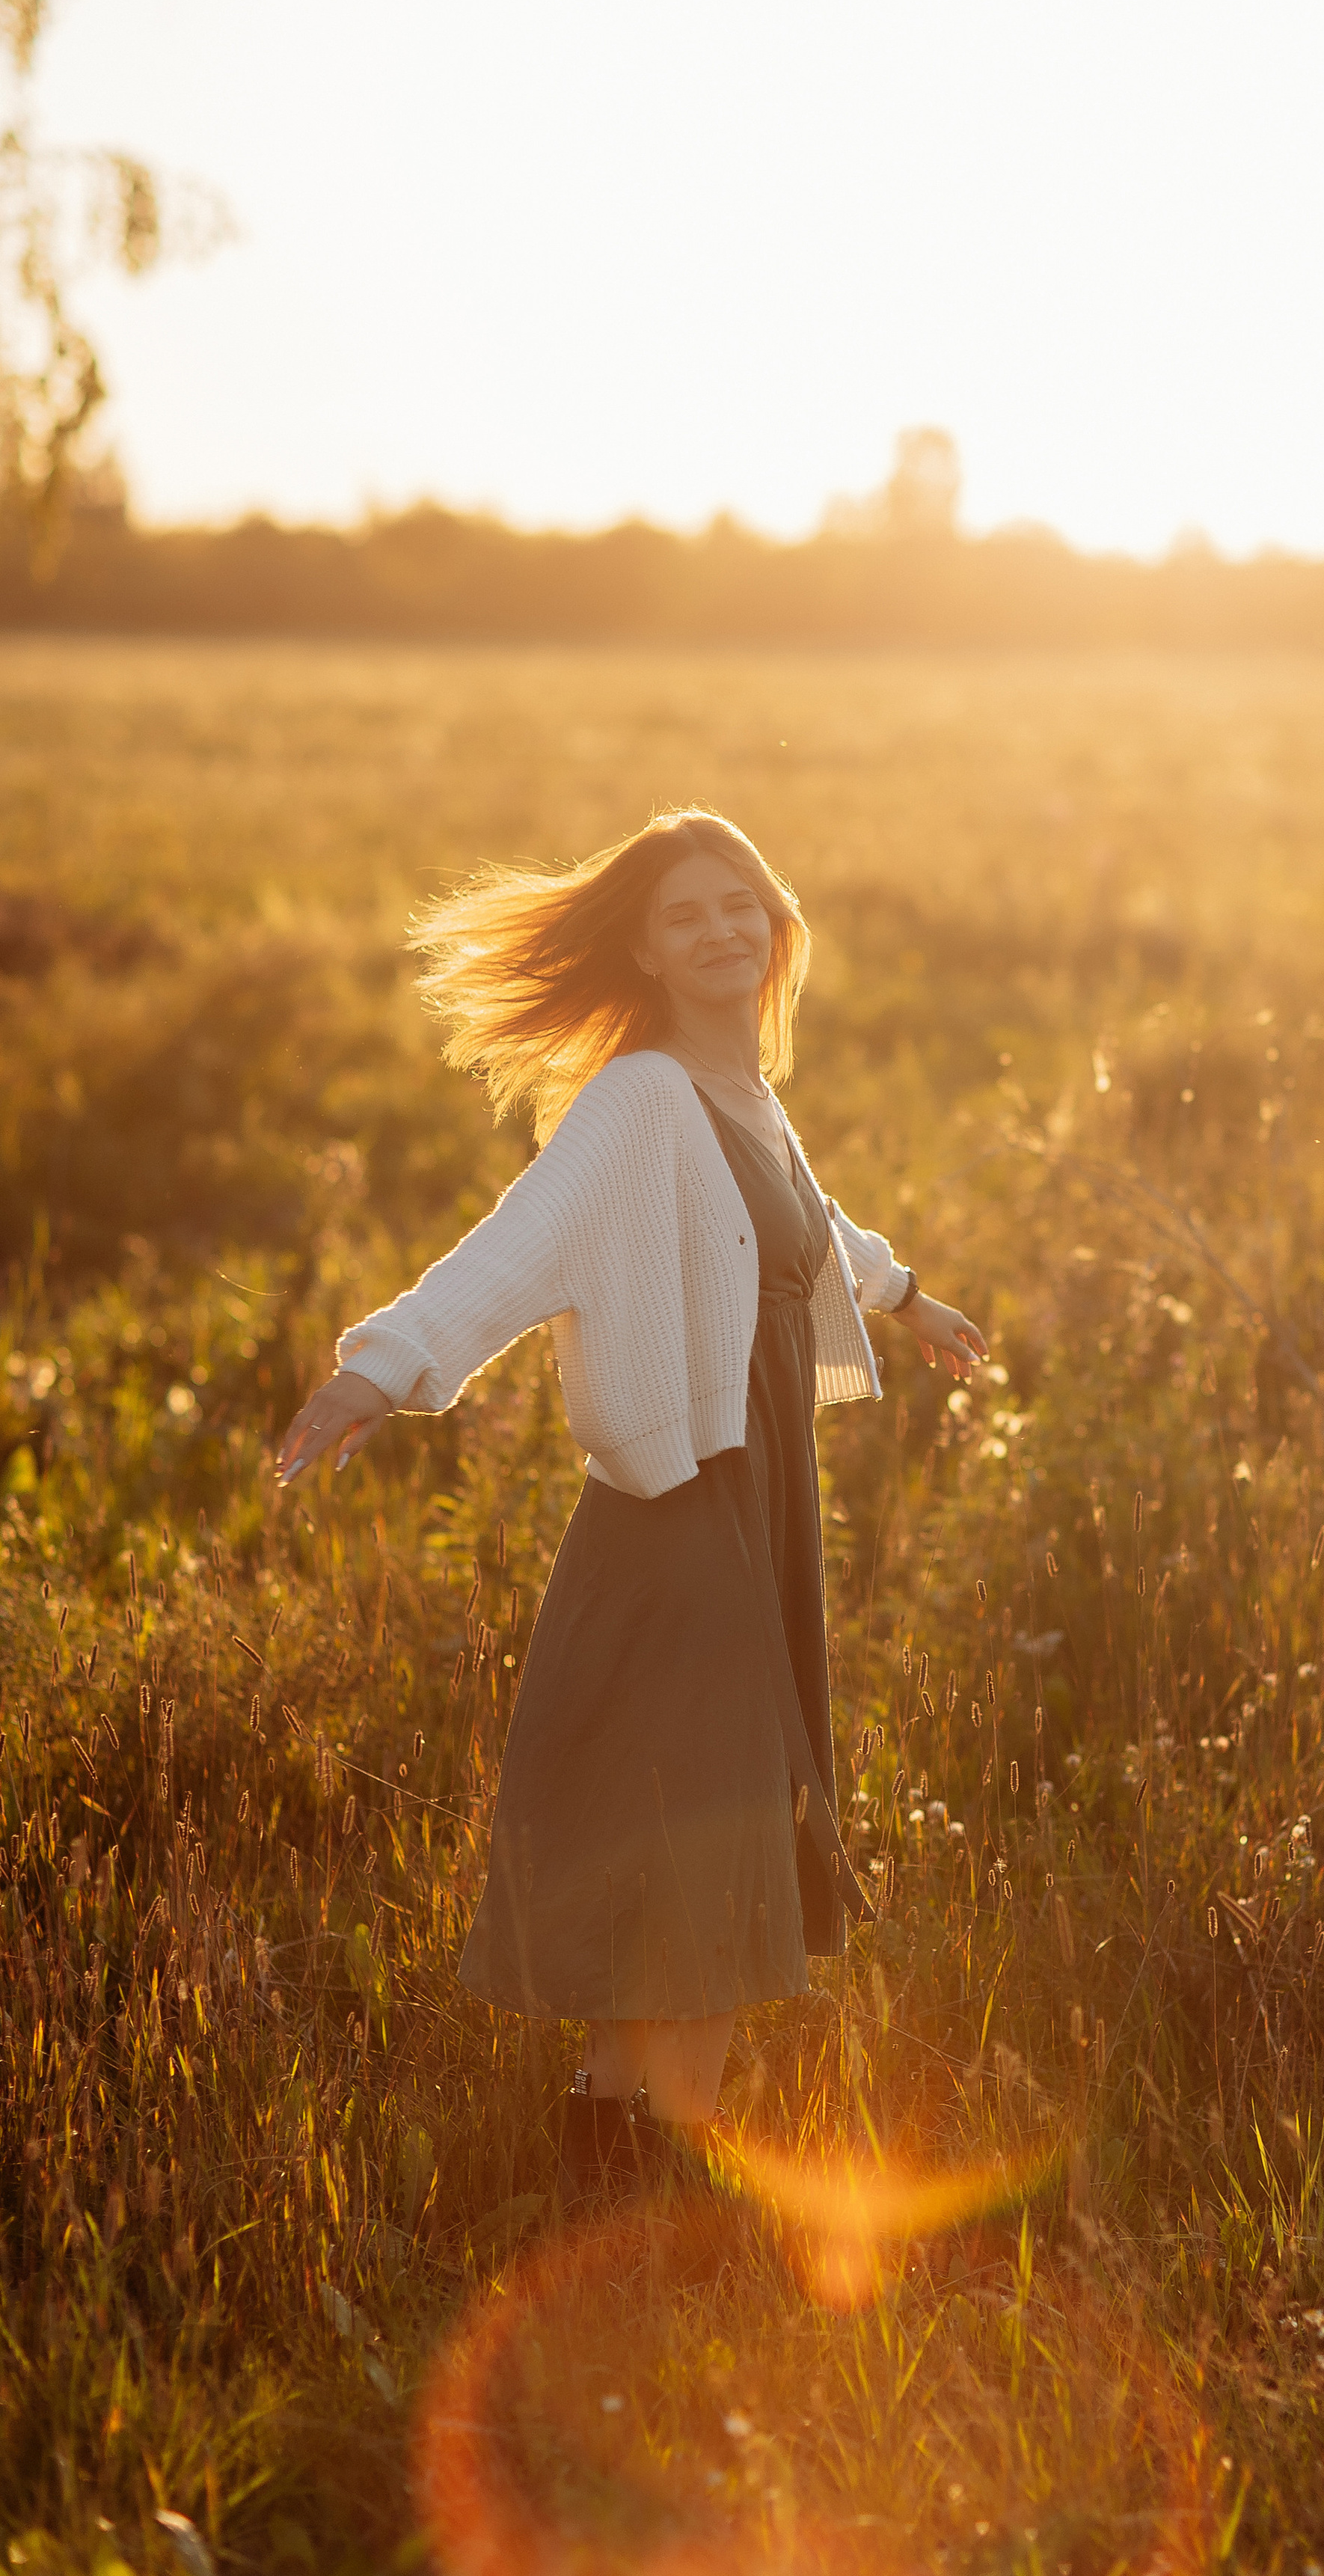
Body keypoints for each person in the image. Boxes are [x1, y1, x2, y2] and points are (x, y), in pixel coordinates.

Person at [275, 810, 984, 2203]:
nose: (723, 929)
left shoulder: (743, 1097)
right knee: (708, 1811)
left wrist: (904, 1297)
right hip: (689, 1505)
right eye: (686, 916)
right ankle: (675, 2171)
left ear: (777, 922)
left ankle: (607, 2140)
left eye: (742, 904)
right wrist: (379, 1368)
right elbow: (516, 1244)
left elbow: (808, 1220)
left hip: (754, 1490)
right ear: (646, 954)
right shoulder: (638, 1099)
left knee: (675, 1798)